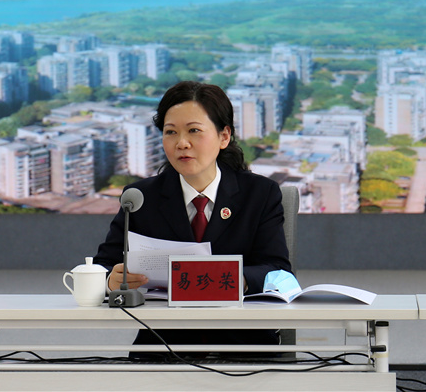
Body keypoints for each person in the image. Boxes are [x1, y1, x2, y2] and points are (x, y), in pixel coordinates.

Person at [93, 81, 292, 357]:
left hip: (245, 347)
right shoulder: (141, 197)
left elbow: (278, 271)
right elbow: (102, 267)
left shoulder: (259, 193)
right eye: (170, 132)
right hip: (164, 349)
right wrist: (110, 282)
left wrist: (235, 279)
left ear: (224, 137)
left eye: (194, 131)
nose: (182, 143)